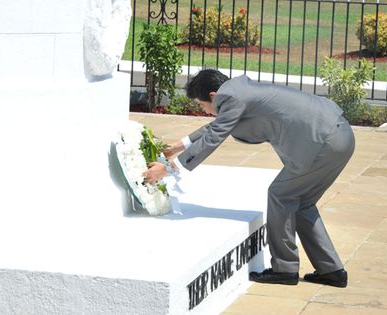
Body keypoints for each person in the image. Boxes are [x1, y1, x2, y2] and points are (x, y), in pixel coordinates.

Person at [143, 69, 354, 287]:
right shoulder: (239, 91)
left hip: (323, 142)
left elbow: (215, 135)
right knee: (301, 203)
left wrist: (168, 169)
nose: (204, 111)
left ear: (213, 96)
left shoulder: (231, 98)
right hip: (339, 136)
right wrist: (176, 147)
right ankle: (331, 271)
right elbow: (218, 126)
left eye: (201, 105)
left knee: (280, 195)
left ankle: (285, 269)